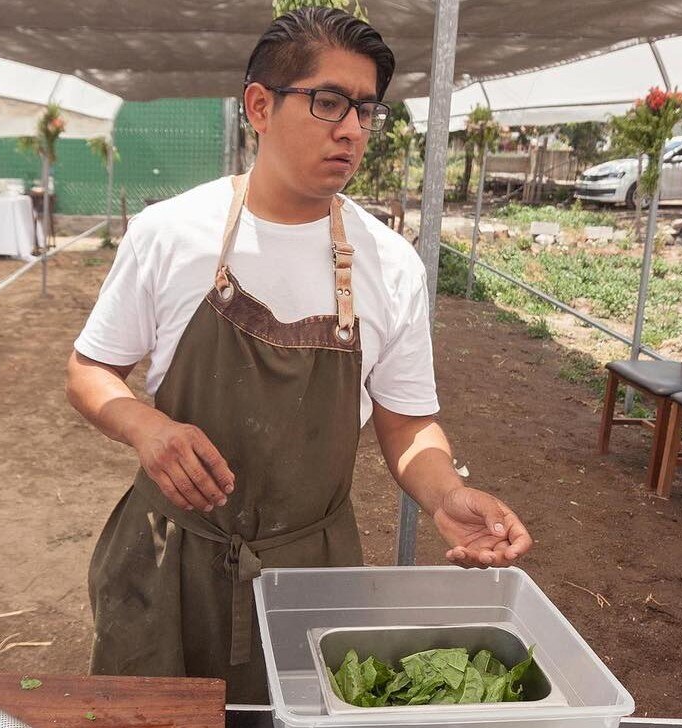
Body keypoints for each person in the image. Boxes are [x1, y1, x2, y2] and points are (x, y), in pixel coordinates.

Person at [66, 7, 533, 703]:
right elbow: (91, 371)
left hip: (308, 569)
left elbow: (406, 425)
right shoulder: (170, 234)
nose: (349, 128)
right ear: (259, 104)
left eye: (364, 110)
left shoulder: (391, 265)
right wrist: (146, 427)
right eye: (326, 101)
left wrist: (446, 492)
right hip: (166, 557)